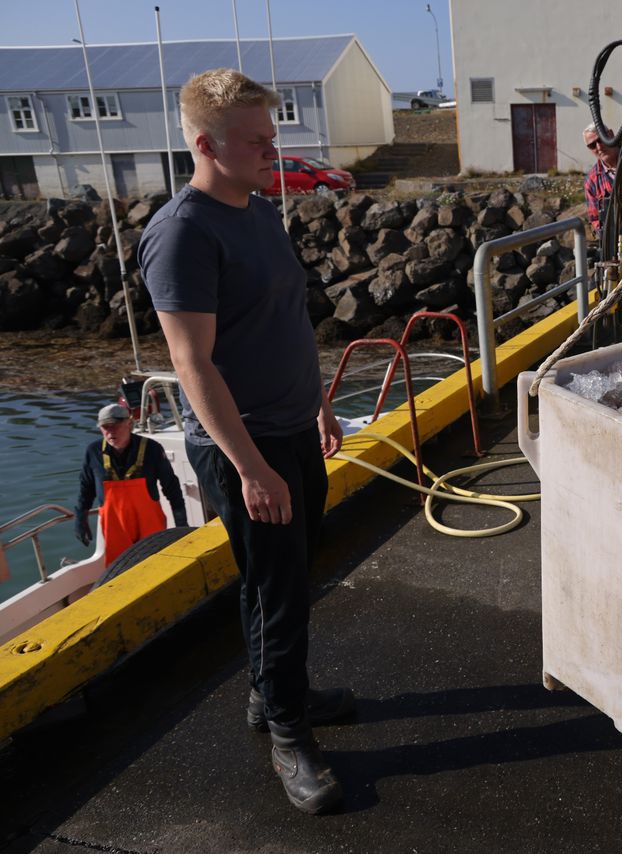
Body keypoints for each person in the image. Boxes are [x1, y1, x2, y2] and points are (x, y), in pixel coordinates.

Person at [138, 68, 351, 815]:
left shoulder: (258, 211)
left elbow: (285, 322)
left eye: (273, 135)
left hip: (293, 429)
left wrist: (319, 403)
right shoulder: (183, 234)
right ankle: (290, 736)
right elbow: (192, 366)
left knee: (287, 582)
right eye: (257, 141)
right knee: (276, 590)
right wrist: (252, 467)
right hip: (246, 447)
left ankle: (274, 698)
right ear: (206, 144)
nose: (274, 150)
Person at [74, 403, 188, 566]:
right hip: (116, 529)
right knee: (120, 569)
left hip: (150, 524)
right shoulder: (93, 451)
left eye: (115, 426)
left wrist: (181, 522)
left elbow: (171, 486)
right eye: (106, 427)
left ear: (129, 424)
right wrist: (80, 518)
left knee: (158, 564)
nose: (110, 432)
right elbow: (86, 488)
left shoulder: (152, 448)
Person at [583, 123, 621, 234]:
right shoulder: (591, 182)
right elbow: (596, 220)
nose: (599, 147)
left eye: (601, 140)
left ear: (611, 135)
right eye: (592, 145)